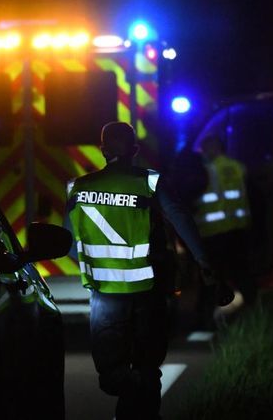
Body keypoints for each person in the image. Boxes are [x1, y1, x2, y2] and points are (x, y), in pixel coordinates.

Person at [66, 121, 233, 420]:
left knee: (111, 375)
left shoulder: (80, 187)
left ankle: (133, 398)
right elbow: (181, 220)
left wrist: (97, 265)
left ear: (103, 151)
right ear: (135, 150)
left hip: (105, 296)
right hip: (148, 293)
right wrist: (206, 266)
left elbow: (68, 242)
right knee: (147, 366)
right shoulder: (150, 183)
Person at [193, 134, 254, 329]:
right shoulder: (238, 167)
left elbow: (197, 198)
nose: (203, 153)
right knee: (241, 273)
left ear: (213, 148)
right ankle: (253, 312)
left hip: (213, 232)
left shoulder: (206, 170)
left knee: (211, 277)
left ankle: (205, 319)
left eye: (205, 148)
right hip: (238, 229)